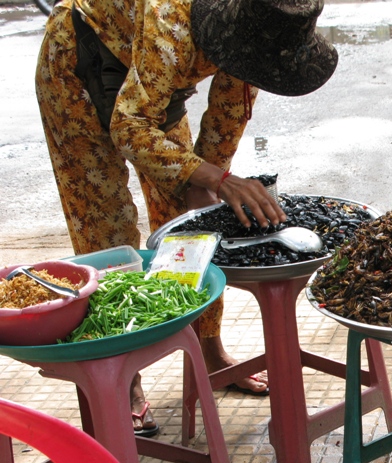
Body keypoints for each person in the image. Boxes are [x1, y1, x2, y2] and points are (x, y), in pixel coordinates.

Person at [35, 0, 337, 435]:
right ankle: (123, 382)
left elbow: (225, 119)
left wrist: (211, 183)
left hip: (153, 85)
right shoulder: (170, 22)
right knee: (106, 225)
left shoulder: (255, 32)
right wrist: (217, 177)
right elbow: (130, 127)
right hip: (78, 64)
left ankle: (209, 350)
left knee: (191, 219)